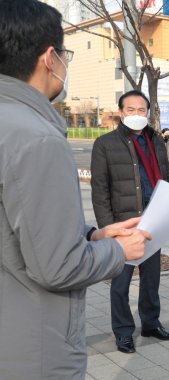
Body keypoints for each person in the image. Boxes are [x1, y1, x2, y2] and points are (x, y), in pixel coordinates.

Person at [0, 1, 149, 378]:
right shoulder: (37, 139)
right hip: (34, 346)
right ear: (49, 58)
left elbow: (15, 222)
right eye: (65, 53)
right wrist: (116, 249)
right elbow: (58, 267)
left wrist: (90, 235)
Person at [91, 90, 169, 354]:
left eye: (142, 111)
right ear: (120, 112)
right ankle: (123, 331)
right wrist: (108, 228)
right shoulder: (105, 144)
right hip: (123, 224)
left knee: (152, 279)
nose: (137, 115)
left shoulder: (156, 141)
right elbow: (99, 191)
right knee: (120, 283)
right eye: (131, 110)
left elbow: (164, 179)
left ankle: (151, 323)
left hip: (153, 221)